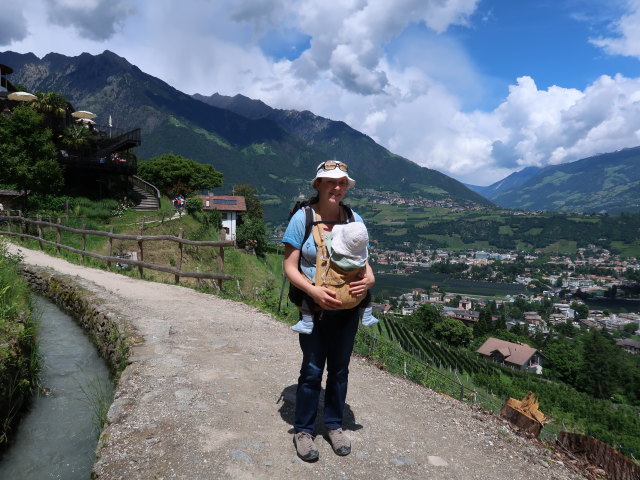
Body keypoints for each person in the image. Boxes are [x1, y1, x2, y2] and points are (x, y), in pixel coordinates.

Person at [282, 160, 375, 461]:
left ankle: (334, 425)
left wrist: (370, 280)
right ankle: (304, 431)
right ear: (318, 185)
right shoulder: (303, 218)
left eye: (342, 183)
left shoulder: (353, 218)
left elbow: (364, 262)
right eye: (330, 182)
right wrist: (312, 290)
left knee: (339, 369)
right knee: (311, 370)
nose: (337, 187)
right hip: (315, 307)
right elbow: (289, 266)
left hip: (347, 309)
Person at [291, 221, 378, 334]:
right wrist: (370, 277)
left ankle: (306, 323)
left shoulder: (334, 251)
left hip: (328, 293)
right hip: (354, 296)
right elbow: (366, 266)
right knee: (365, 291)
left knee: (308, 296)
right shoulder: (359, 259)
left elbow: (326, 241)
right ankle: (367, 315)